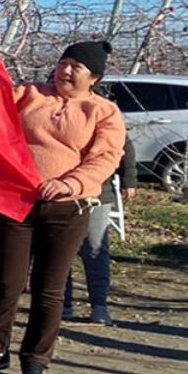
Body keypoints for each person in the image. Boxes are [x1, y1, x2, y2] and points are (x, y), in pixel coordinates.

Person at [0, 40, 126, 374]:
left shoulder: (104, 112)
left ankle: (35, 359)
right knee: (7, 281)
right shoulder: (30, 95)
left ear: (93, 77)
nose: (65, 71)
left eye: (76, 67)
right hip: (17, 201)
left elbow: (105, 158)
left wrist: (71, 183)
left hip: (68, 208)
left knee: (49, 287)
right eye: (63, 63)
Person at [65, 126, 138, 326]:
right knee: (60, 252)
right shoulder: (50, 105)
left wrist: (129, 179)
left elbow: (124, 145)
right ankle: (63, 304)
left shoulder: (101, 109)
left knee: (95, 249)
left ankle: (99, 305)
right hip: (60, 193)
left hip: (97, 193)